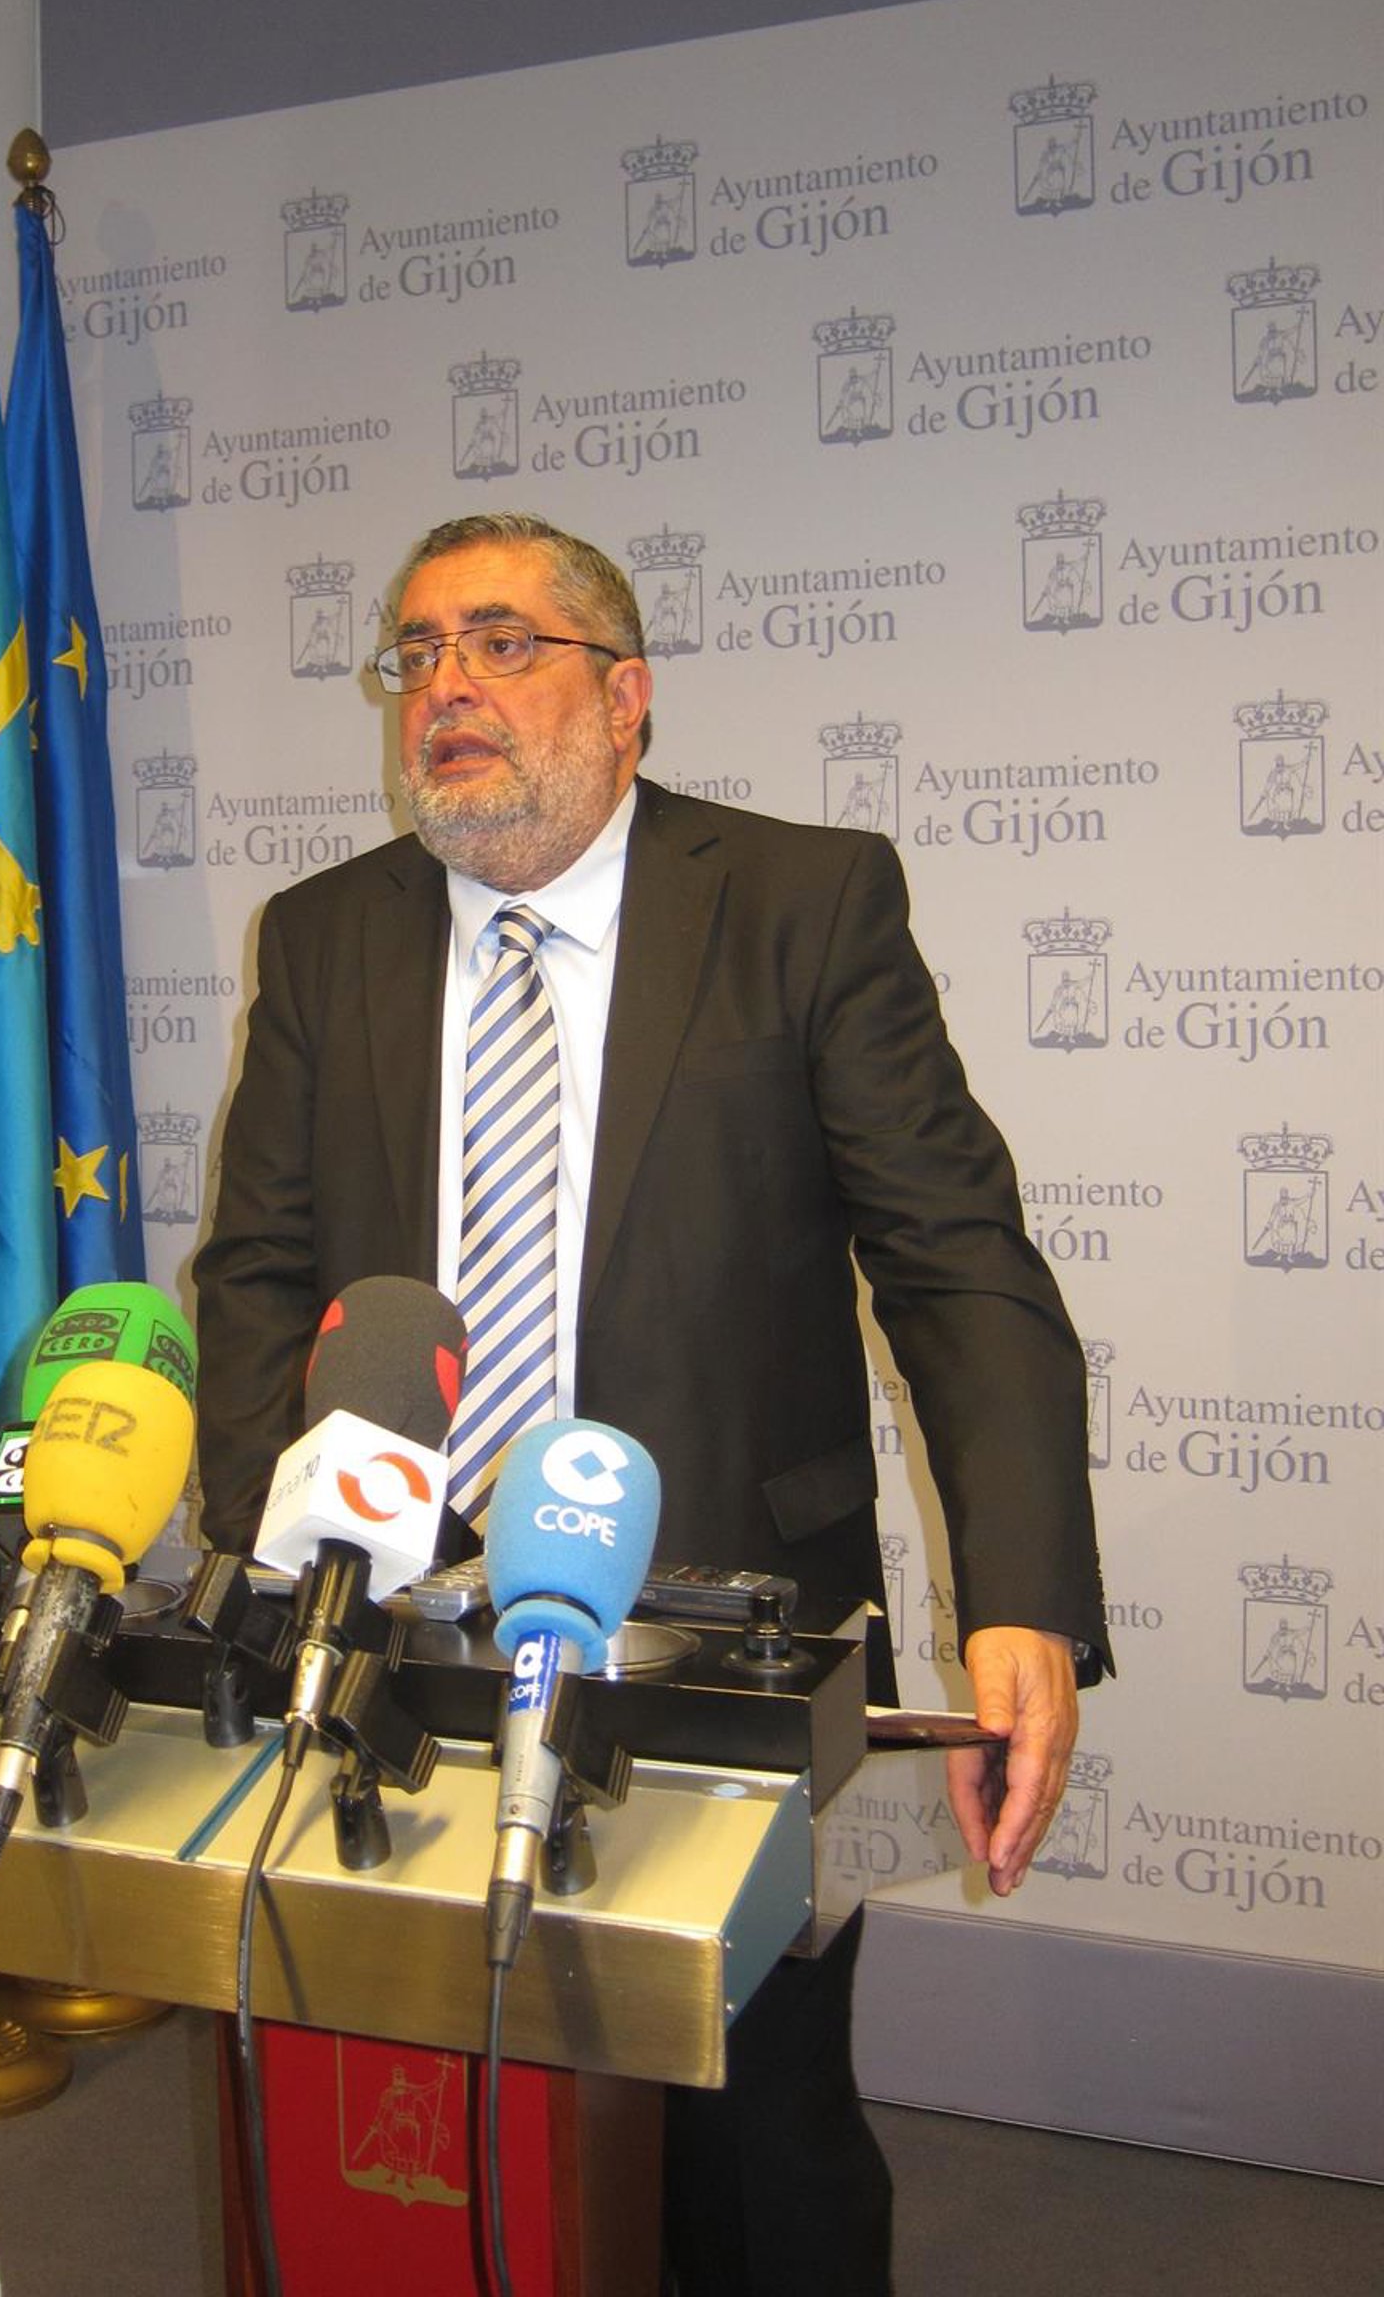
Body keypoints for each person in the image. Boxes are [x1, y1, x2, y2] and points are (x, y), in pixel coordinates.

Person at [194, 511, 1110, 2294]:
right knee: (423, 2131)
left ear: (627, 699)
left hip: (724, 1631)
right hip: (402, 1632)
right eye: (416, 654)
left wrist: (1022, 1597)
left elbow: (956, 1264)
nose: (446, 687)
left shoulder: (802, 903)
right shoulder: (321, 939)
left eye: (500, 643)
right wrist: (270, 1555)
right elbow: (254, 1281)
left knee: (751, 2153)